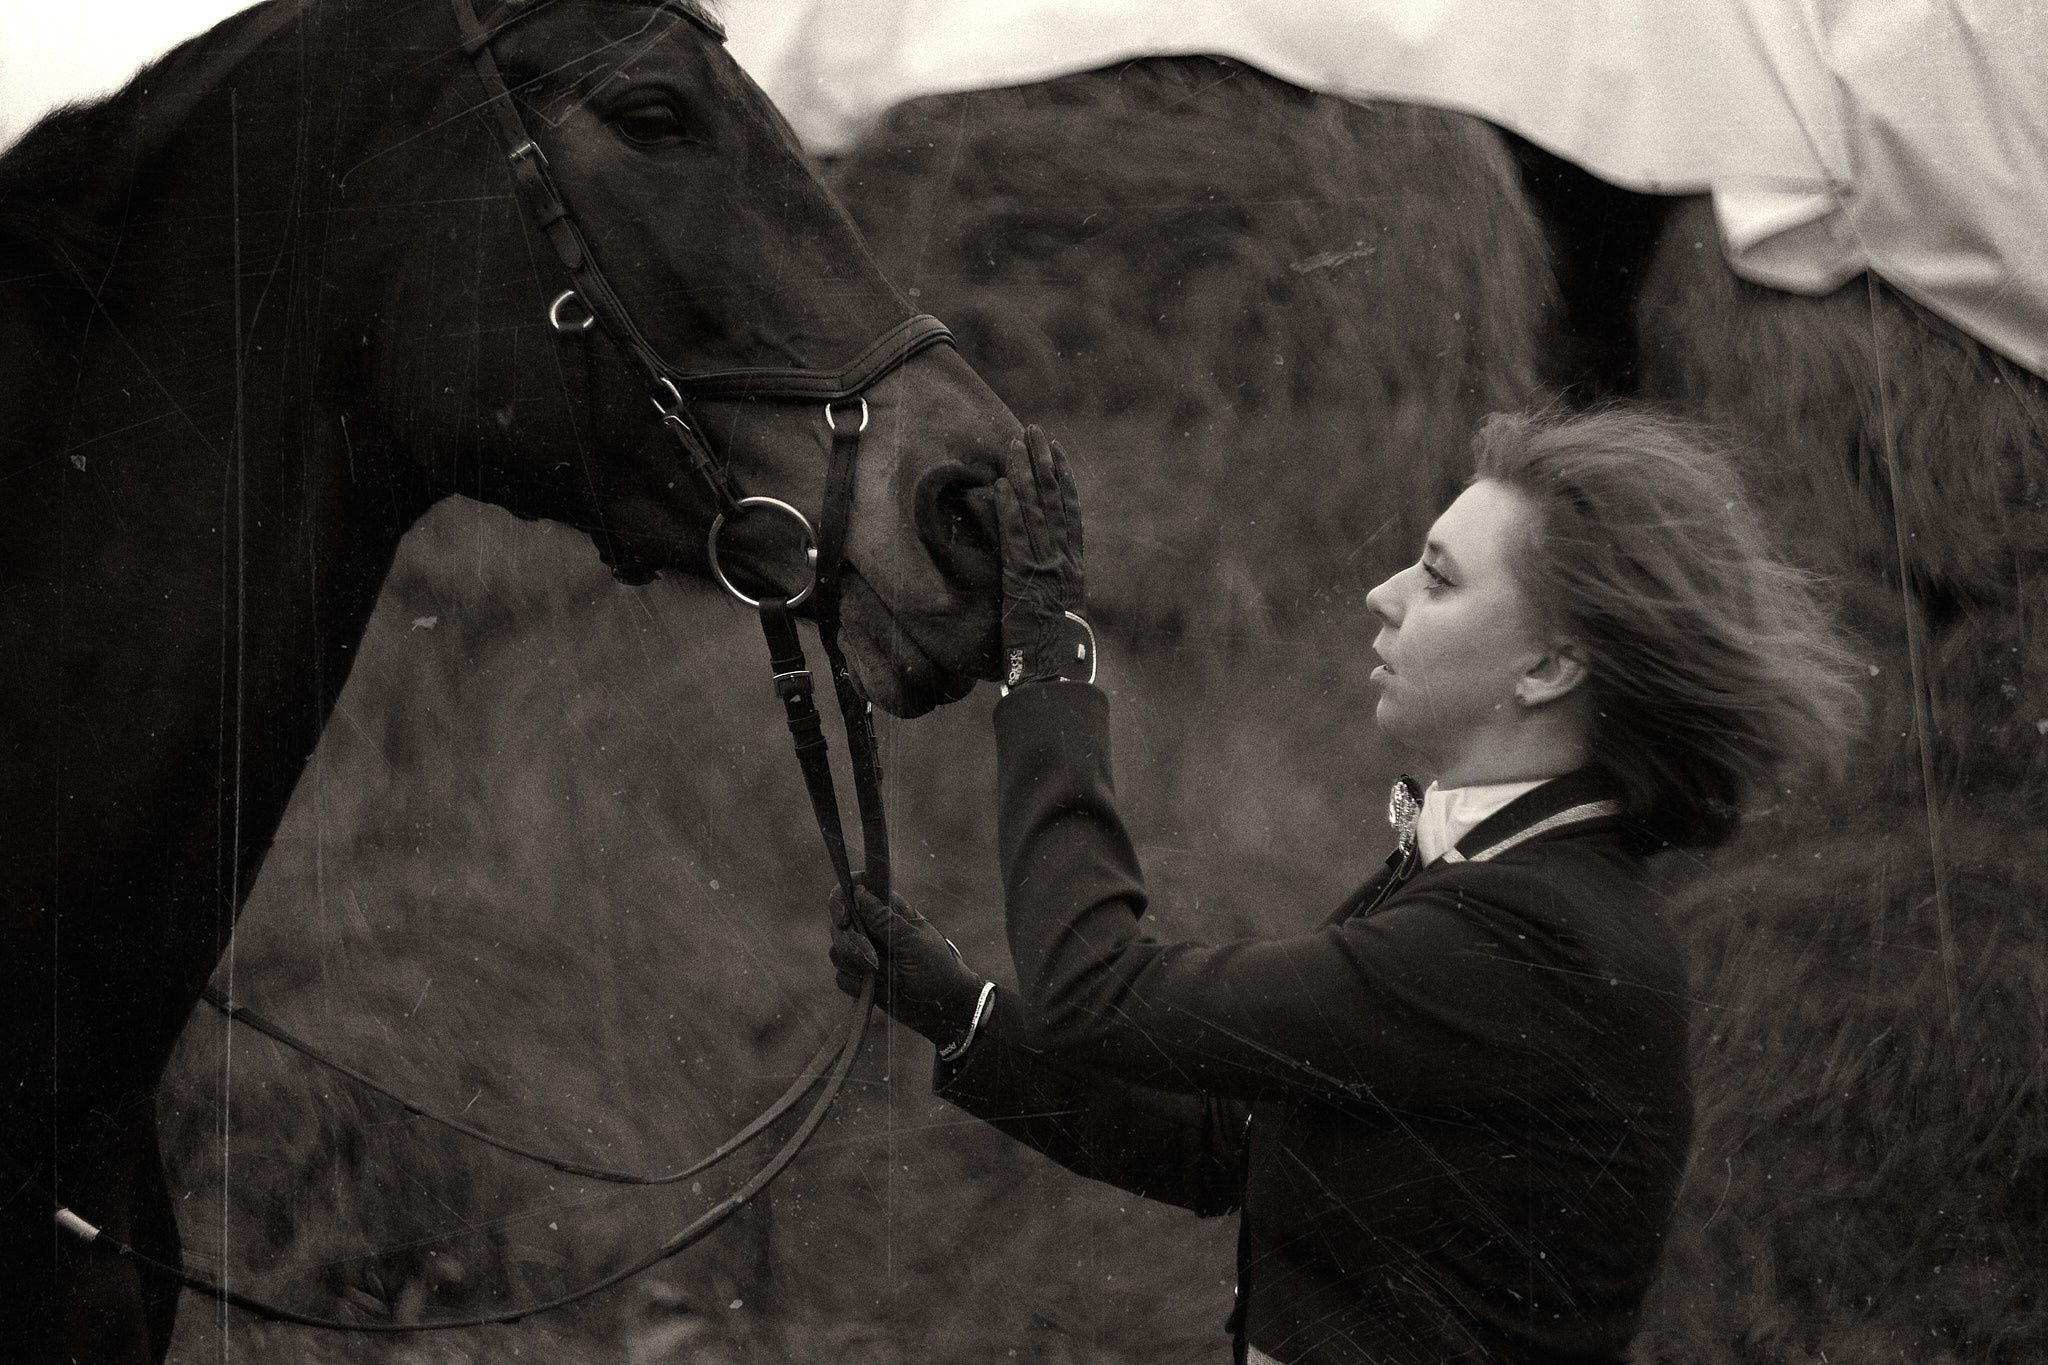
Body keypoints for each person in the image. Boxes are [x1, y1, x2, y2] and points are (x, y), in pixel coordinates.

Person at [828, 406, 1863, 1365]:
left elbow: (1098, 995)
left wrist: (1050, 662)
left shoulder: (1532, 938)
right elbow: (1225, 1145)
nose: (1382, 593)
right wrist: (955, 1010)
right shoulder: (1505, 884)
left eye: (1439, 578)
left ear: (1548, 667)